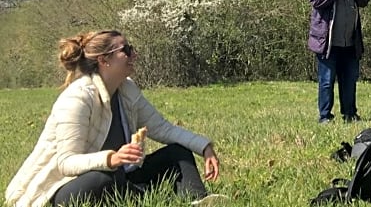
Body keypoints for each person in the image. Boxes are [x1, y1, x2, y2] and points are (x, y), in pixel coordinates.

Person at [5, 30, 224, 207]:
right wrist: (111, 159)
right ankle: (146, 196)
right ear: (104, 60)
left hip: (120, 176)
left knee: (178, 152)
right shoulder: (77, 98)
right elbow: (66, 163)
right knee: (103, 178)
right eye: (126, 50)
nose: (133, 55)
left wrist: (204, 146)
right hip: (64, 187)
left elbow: (163, 129)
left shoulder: (127, 90)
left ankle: (198, 202)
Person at [307, 0, 370, 124]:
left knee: (349, 81)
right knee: (326, 82)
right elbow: (316, 1)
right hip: (327, 43)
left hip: (350, 43)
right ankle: (325, 116)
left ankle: (350, 113)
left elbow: (365, 1)